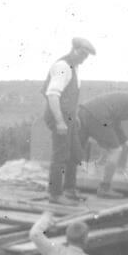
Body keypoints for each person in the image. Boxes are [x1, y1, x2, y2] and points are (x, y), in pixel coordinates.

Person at [42, 37, 96, 205]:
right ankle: (55, 194)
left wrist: (75, 116)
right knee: (60, 155)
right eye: (82, 54)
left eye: (86, 56)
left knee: (74, 154)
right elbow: (52, 95)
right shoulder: (63, 67)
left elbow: (70, 96)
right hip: (59, 117)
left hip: (69, 117)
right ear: (74, 50)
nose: (84, 58)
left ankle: (69, 190)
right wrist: (59, 121)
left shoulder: (75, 68)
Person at [78, 90, 128, 198]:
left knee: (77, 149)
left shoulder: (125, 100)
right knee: (115, 150)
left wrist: (125, 141)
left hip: (83, 111)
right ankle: (105, 188)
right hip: (98, 116)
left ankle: (68, 186)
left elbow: (115, 123)